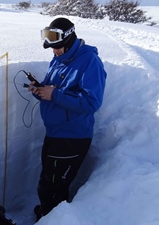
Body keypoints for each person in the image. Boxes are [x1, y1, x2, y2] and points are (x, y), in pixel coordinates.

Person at [29, 17, 107, 222]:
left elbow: (92, 102)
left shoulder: (90, 62)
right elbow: (53, 89)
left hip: (72, 137)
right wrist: (40, 90)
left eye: (57, 48)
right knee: (47, 183)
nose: (53, 52)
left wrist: (54, 94)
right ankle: (47, 215)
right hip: (54, 133)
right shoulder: (58, 59)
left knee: (54, 188)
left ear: (69, 40)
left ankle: (53, 218)